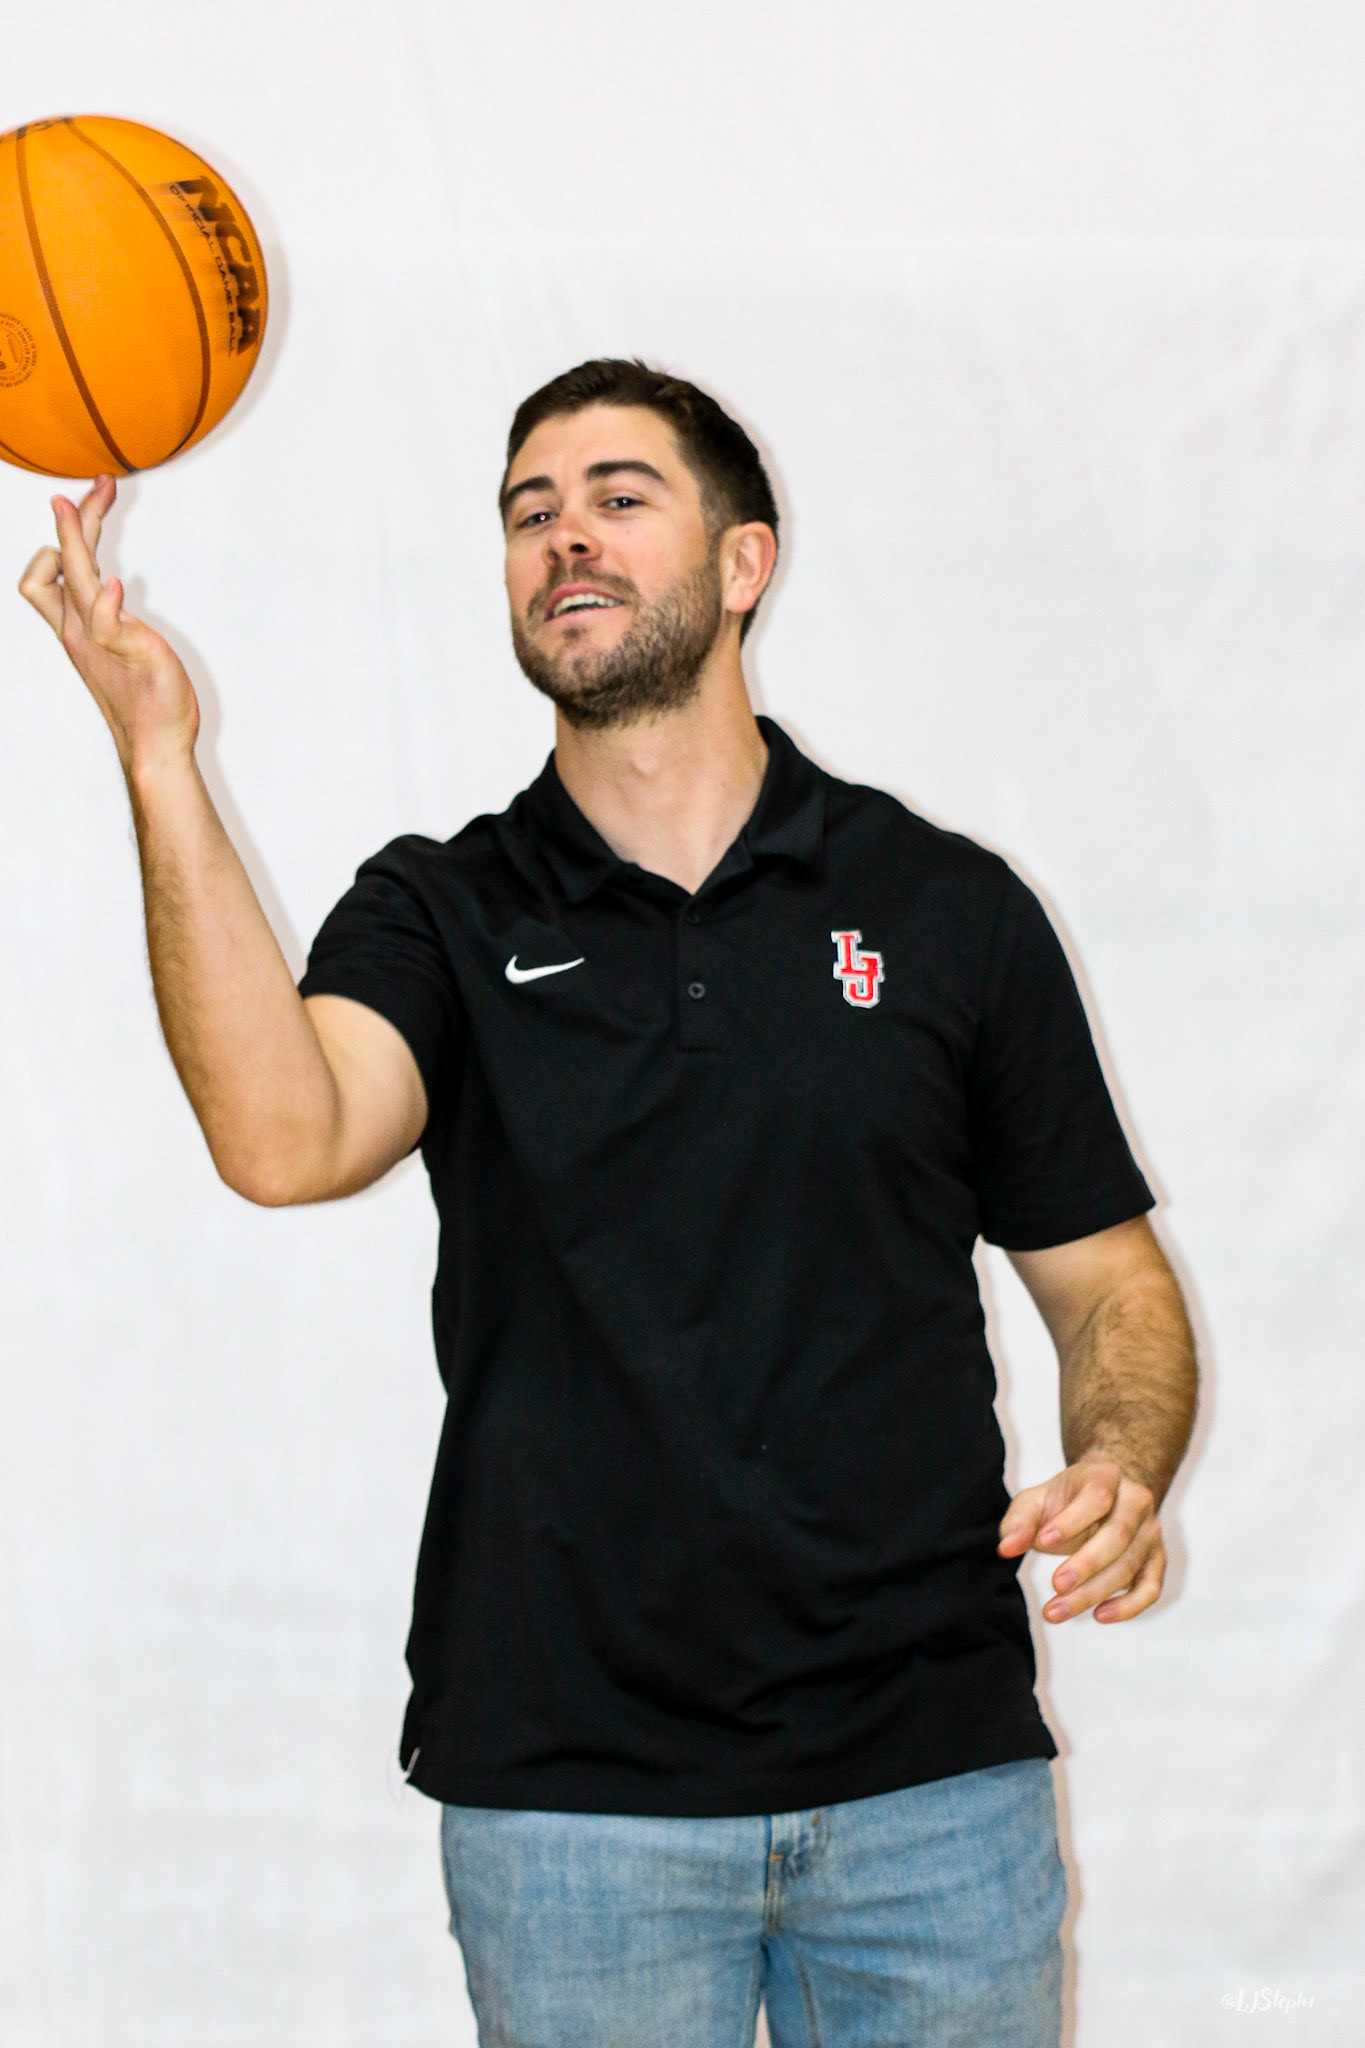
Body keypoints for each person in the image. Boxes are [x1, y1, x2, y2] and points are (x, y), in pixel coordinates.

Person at [20, 358, 1198, 2048]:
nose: (564, 536)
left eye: (618, 498)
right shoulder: (441, 909)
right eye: (529, 513)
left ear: (743, 561)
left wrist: (1123, 1461)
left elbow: (1108, 1287)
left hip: (929, 1785)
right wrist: (157, 756)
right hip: (572, 1804)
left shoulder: (943, 907)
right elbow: (283, 1138)